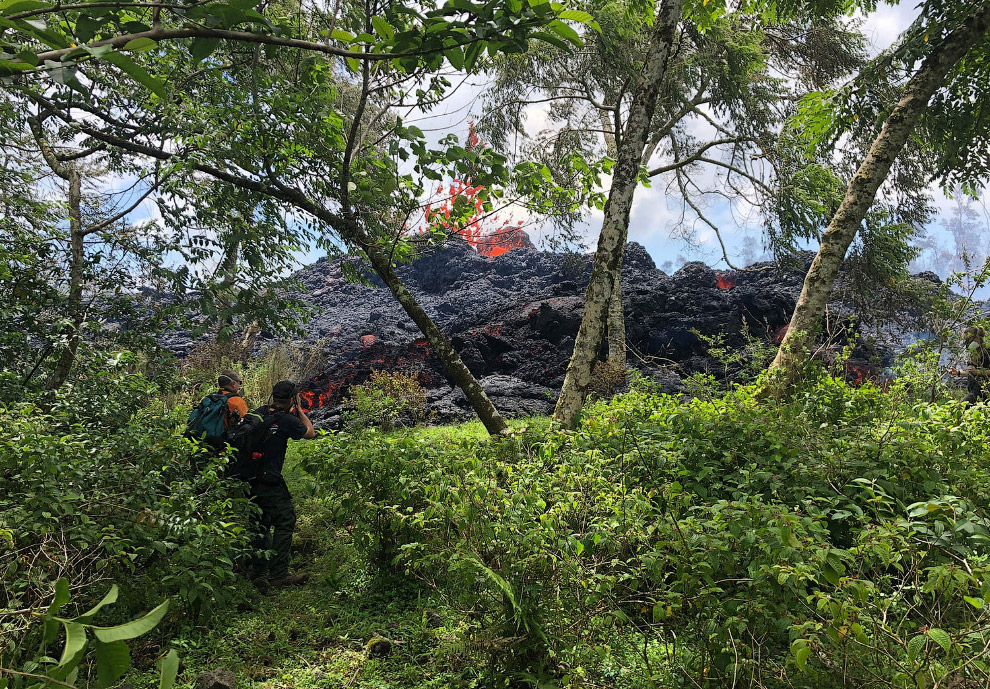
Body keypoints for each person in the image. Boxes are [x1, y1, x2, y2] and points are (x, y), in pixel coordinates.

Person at [244, 380, 316, 587]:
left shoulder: (259, 413)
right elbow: (310, 433)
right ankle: (278, 574)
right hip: (270, 479)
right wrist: (300, 409)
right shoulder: (286, 420)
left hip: (248, 479)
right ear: (292, 398)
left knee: (259, 524)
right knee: (285, 520)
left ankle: (258, 572)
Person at [963, 326, 990, 405]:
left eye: (967, 341)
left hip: (982, 390)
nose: (967, 345)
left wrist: (977, 371)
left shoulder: (986, 353)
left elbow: (977, 372)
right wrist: (958, 373)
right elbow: (972, 373)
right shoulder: (974, 353)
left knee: (959, 409)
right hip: (974, 390)